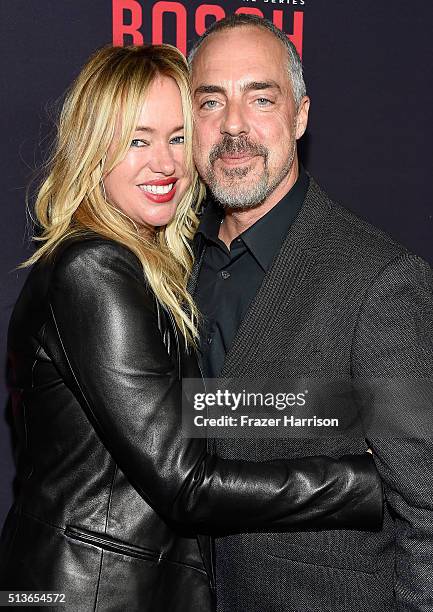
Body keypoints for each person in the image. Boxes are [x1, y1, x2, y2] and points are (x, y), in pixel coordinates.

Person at [0, 44, 382, 612]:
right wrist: (374, 483)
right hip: (90, 593)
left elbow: (189, 409)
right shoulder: (96, 268)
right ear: (91, 148)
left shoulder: (152, 263)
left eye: (178, 137)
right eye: (136, 139)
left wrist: (343, 410)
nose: (165, 163)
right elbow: (185, 483)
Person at [188, 13, 433, 612]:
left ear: (299, 116)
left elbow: (426, 508)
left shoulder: (379, 280)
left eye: (260, 98)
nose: (234, 126)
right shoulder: (170, 270)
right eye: (210, 102)